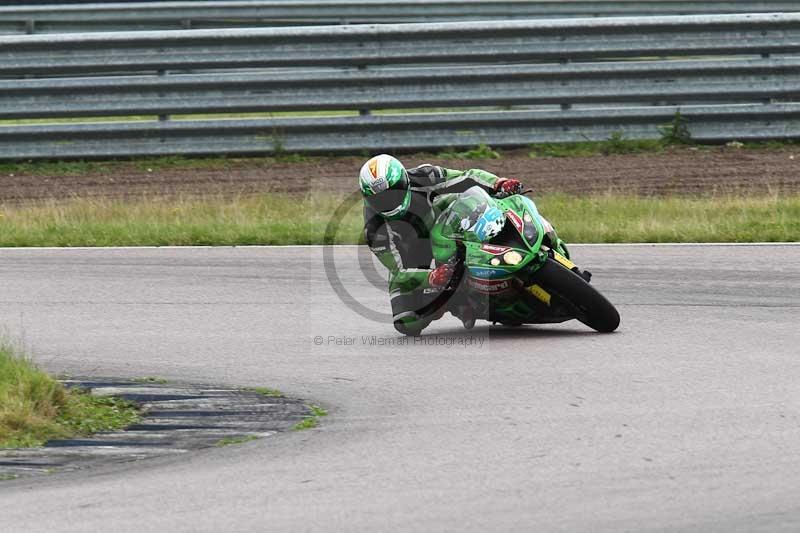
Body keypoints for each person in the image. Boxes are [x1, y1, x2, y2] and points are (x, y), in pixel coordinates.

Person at [359, 153, 523, 335]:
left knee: (472, 201)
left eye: (393, 192)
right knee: (406, 322)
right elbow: (398, 272)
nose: (389, 202)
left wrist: (498, 183)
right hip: (411, 258)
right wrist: (431, 277)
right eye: (380, 199)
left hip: (441, 222)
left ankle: (512, 239)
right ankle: (455, 301)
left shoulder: (424, 176)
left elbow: (466, 177)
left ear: (404, 180)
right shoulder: (374, 229)